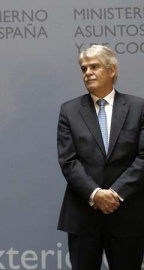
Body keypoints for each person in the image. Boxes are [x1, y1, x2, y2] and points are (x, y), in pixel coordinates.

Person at [57, 45, 144, 270]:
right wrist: (95, 194)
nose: (88, 73)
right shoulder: (69, 110)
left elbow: (143, 157)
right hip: (83, 215)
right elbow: (68, 161)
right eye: (84, 68)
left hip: (128, 214)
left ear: (112, 70)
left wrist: (115, 194)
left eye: (94, 66)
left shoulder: (138, 108)